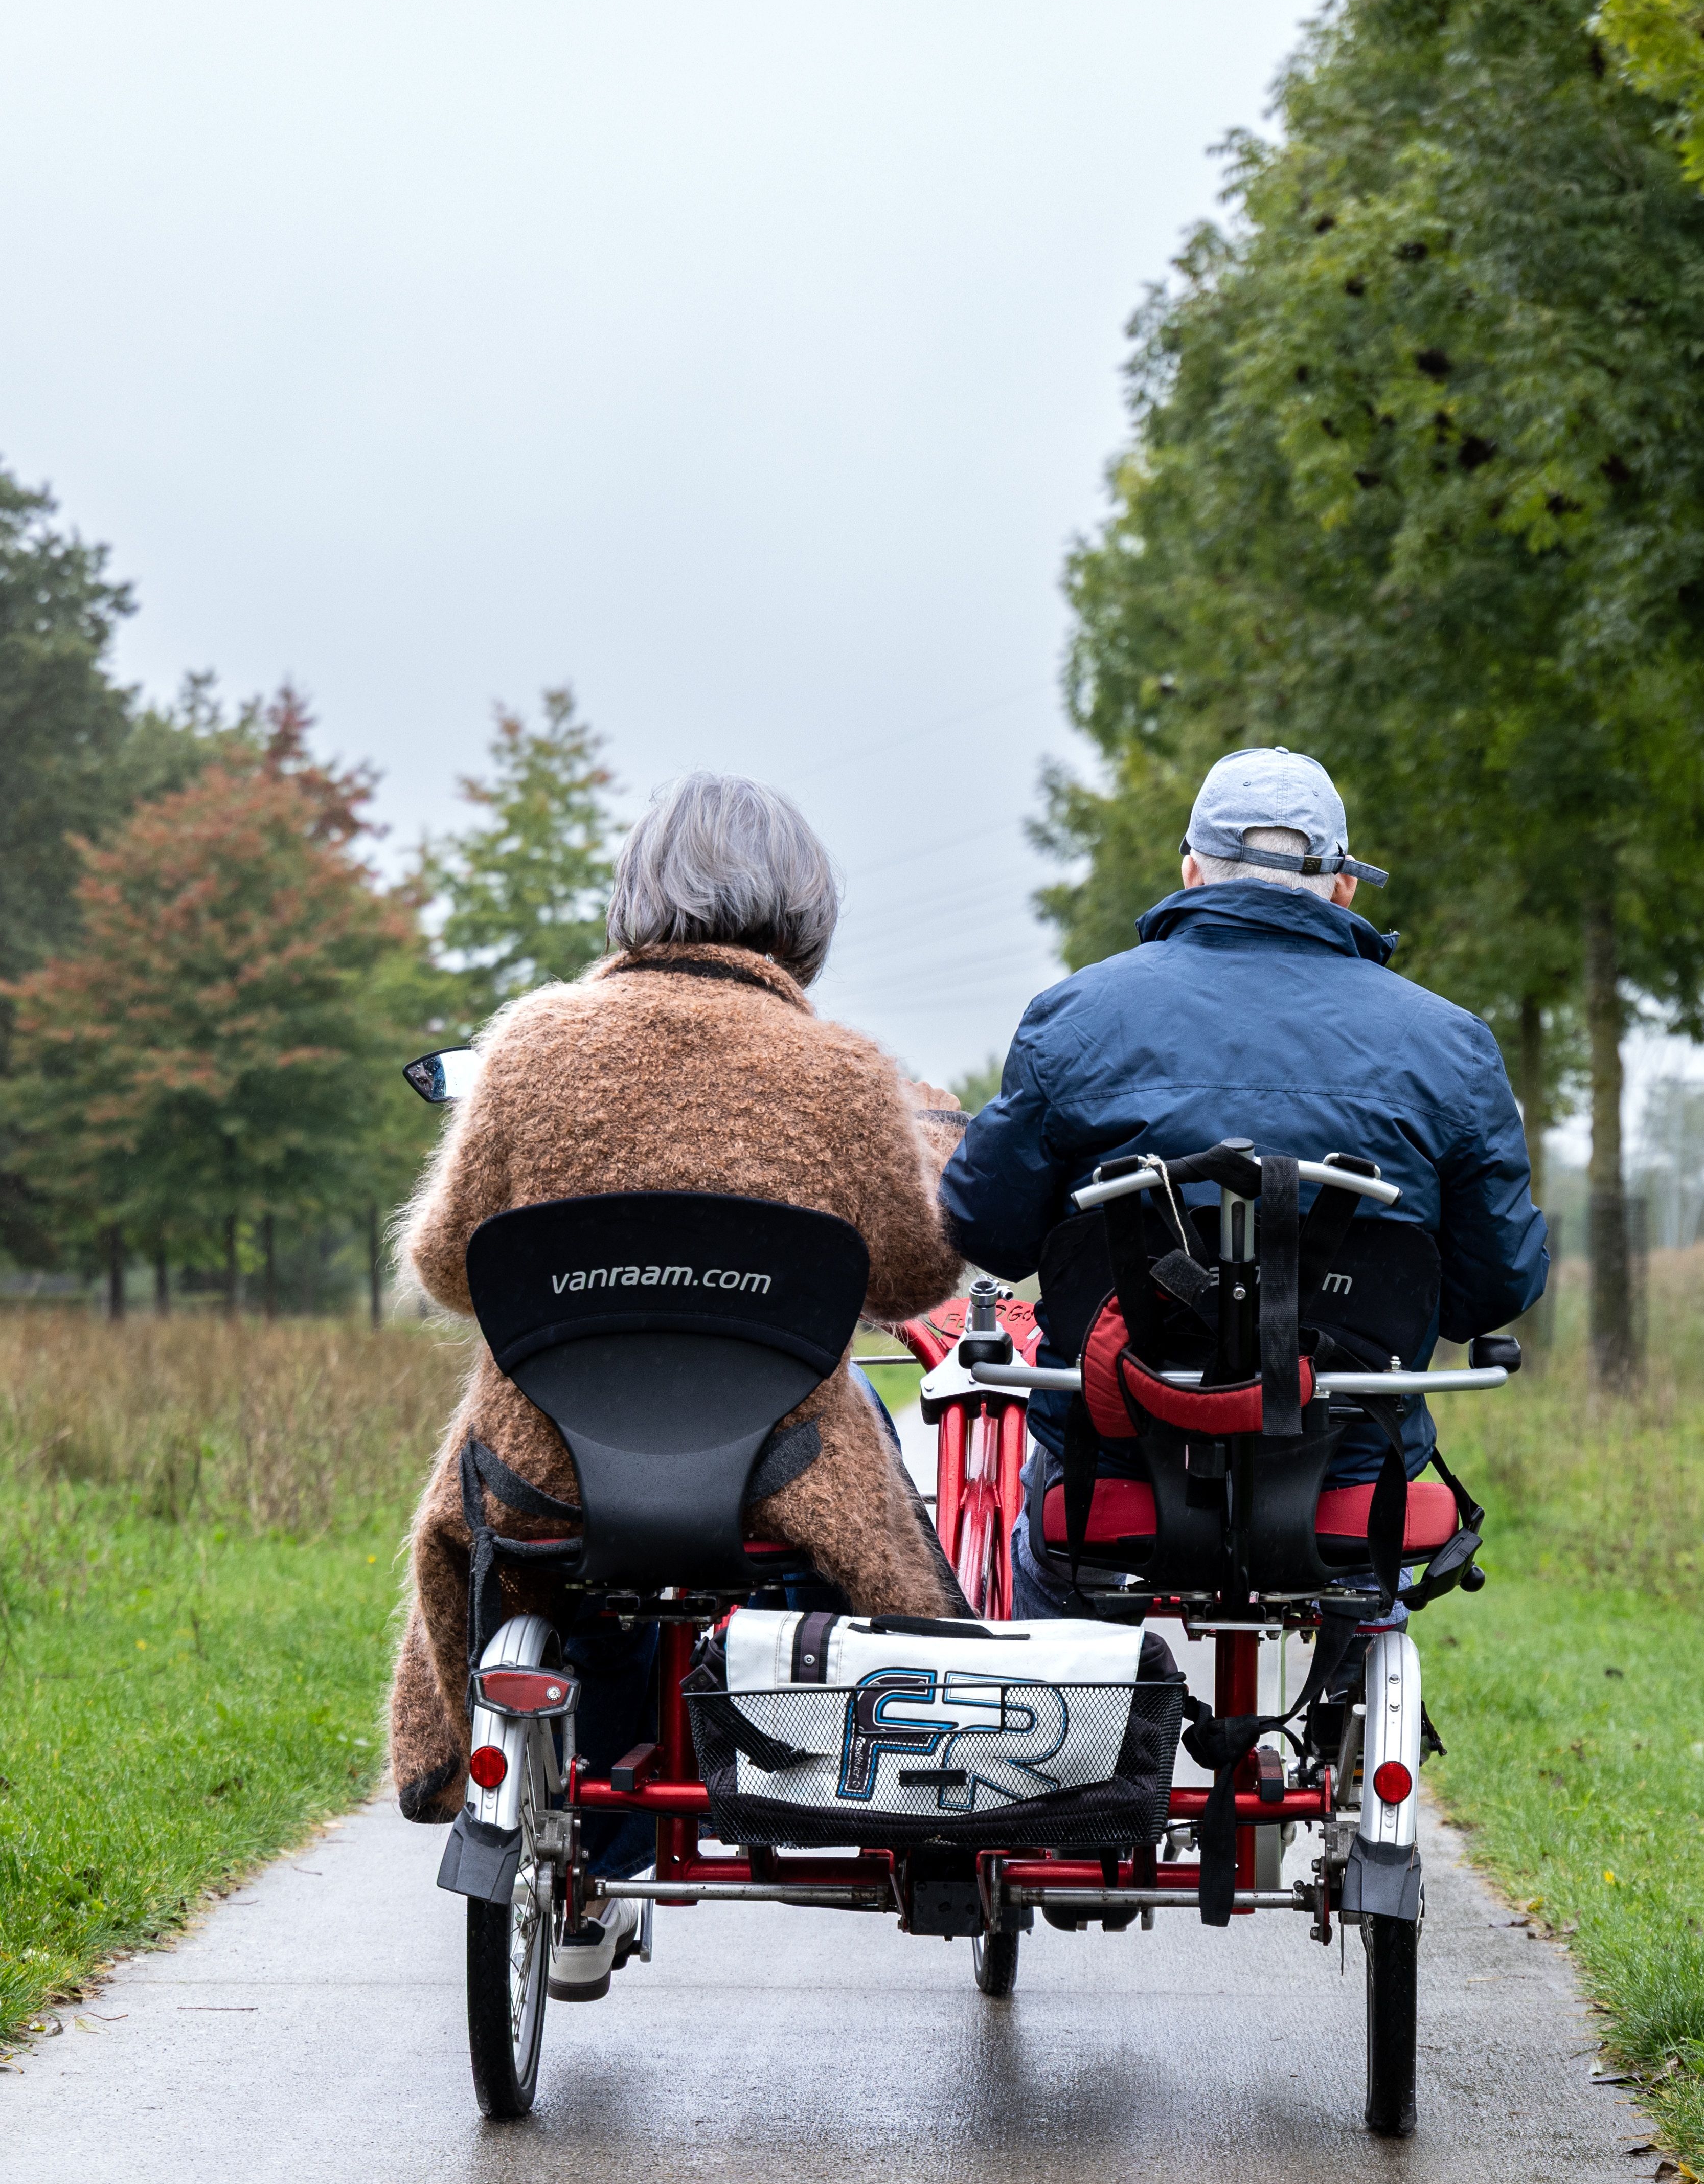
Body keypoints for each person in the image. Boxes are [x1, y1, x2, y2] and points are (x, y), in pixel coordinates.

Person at [386, 773, 967, 1982]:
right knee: (874, 1474)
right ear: (804, 914)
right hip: (777, 1464)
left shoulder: (531, 1045)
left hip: (556, 1455)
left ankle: (551, 1818)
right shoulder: (846, 1073)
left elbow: (446, 1262)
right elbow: (913, 1278)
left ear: (635, 897)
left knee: (511, 1506)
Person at [933, 745, 1550, 1617]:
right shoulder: (1450, 1046)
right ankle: (1346, 1708)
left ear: (1190, 871)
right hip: (1351, 1485)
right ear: (1343, 887)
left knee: (1036, 1562)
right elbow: (1497, 1286)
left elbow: (986, 1231)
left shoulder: (1072, 1021)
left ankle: (1071, 1736)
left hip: (1112, 1479)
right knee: (1361, 1576)